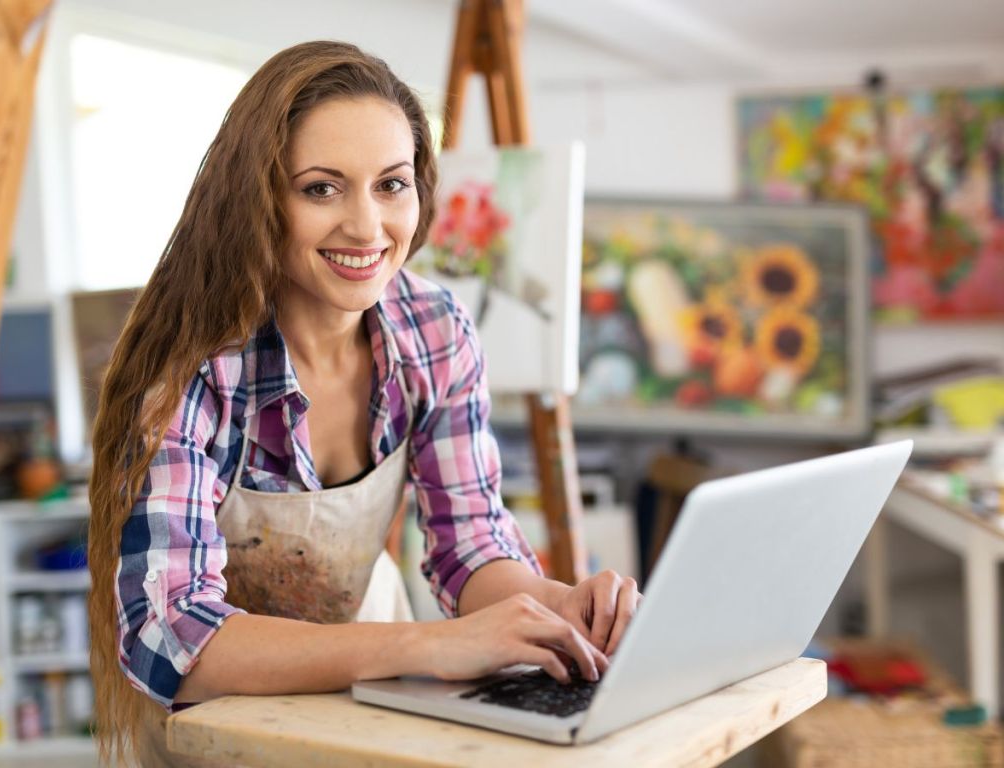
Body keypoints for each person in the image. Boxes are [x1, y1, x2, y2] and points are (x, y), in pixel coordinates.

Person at [87, 40, 641, 765]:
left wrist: (550, 606)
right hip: (222, 719)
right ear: (259, 199)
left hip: (372, 686)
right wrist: (428, 646)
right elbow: (171, 635)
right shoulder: (194, 371)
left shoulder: (434, 331)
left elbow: (469, 542)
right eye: (321, 188)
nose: (367, 226)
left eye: (391, 184)